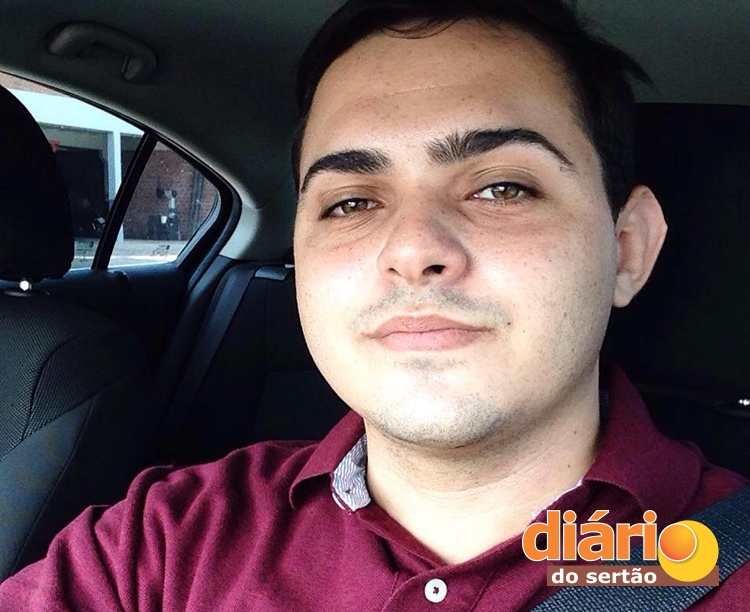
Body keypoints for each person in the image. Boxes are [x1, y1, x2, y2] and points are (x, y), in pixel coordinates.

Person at [1, 0, 747, 609]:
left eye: (502, 188)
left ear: (627, 248)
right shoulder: (161, 544)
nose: (412, 248)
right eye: (352, 202)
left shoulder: (723, 564)